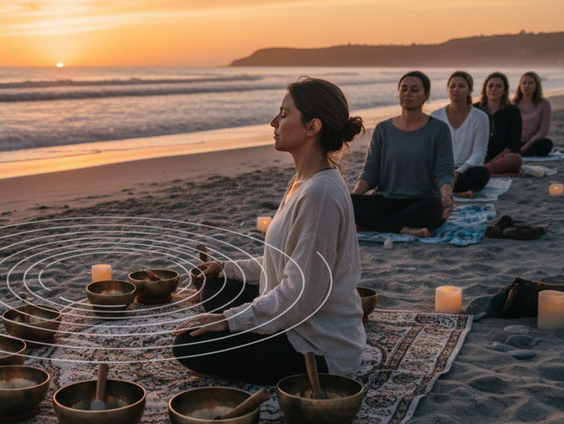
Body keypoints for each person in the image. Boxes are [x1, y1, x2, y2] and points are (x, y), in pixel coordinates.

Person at [172, 77, 366, 385]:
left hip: (317, 346)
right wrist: (226, 268)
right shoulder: (303, 181)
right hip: (295, 316)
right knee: (217, 286)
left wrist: (228, 320)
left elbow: (300, 295)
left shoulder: (320, 194)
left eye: (285, 114)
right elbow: (284, 260)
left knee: (188, 345)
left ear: (312, 127)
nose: (273, 121)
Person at [351, 71, 455, 238]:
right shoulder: (382, 129)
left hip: (422, 201)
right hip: (386, 199)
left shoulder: (438, 129)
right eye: (403, 89)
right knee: (345, 202)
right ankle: (404, 228)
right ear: (398, 93)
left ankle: (373, 224)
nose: (407, 94)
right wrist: (354, 195)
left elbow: (443, 170)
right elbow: (370, 171)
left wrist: (446, 196)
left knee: (434, 210)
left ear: (426, 95)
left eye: (414, 90)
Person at [430, 71, 491, 197]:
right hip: (441, 169)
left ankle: (444, 190)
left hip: (467, 170)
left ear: (469, 90)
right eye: (452, 86)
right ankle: (457, 193)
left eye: (461, 86)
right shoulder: (435, 116)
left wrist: (459, 171)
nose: (456, 89)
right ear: (447, 89)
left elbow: (479, 153)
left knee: (482, 174)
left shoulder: (480, 117)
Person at [474, 72, 523, 174]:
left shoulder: (513, 110)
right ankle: (482, 169)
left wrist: (497, 158)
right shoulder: (474, 109)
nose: (494, 89)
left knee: (516, 159)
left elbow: (514, 142)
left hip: (503, 156)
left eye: (498, 86)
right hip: (478, 155)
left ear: (504, 90)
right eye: (490, 86)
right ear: (485, 89)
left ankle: (483, 169)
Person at [514, 71, 553, 157]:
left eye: (530, 83)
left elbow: (544, 130)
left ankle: (521, 153)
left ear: (536, 86)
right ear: (520, 86)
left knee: (547, 144)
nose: (526, 86)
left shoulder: (544, 104)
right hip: (515, 142)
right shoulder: (513, 103)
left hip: (533, 142)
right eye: (524, 83)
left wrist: (529, 144)